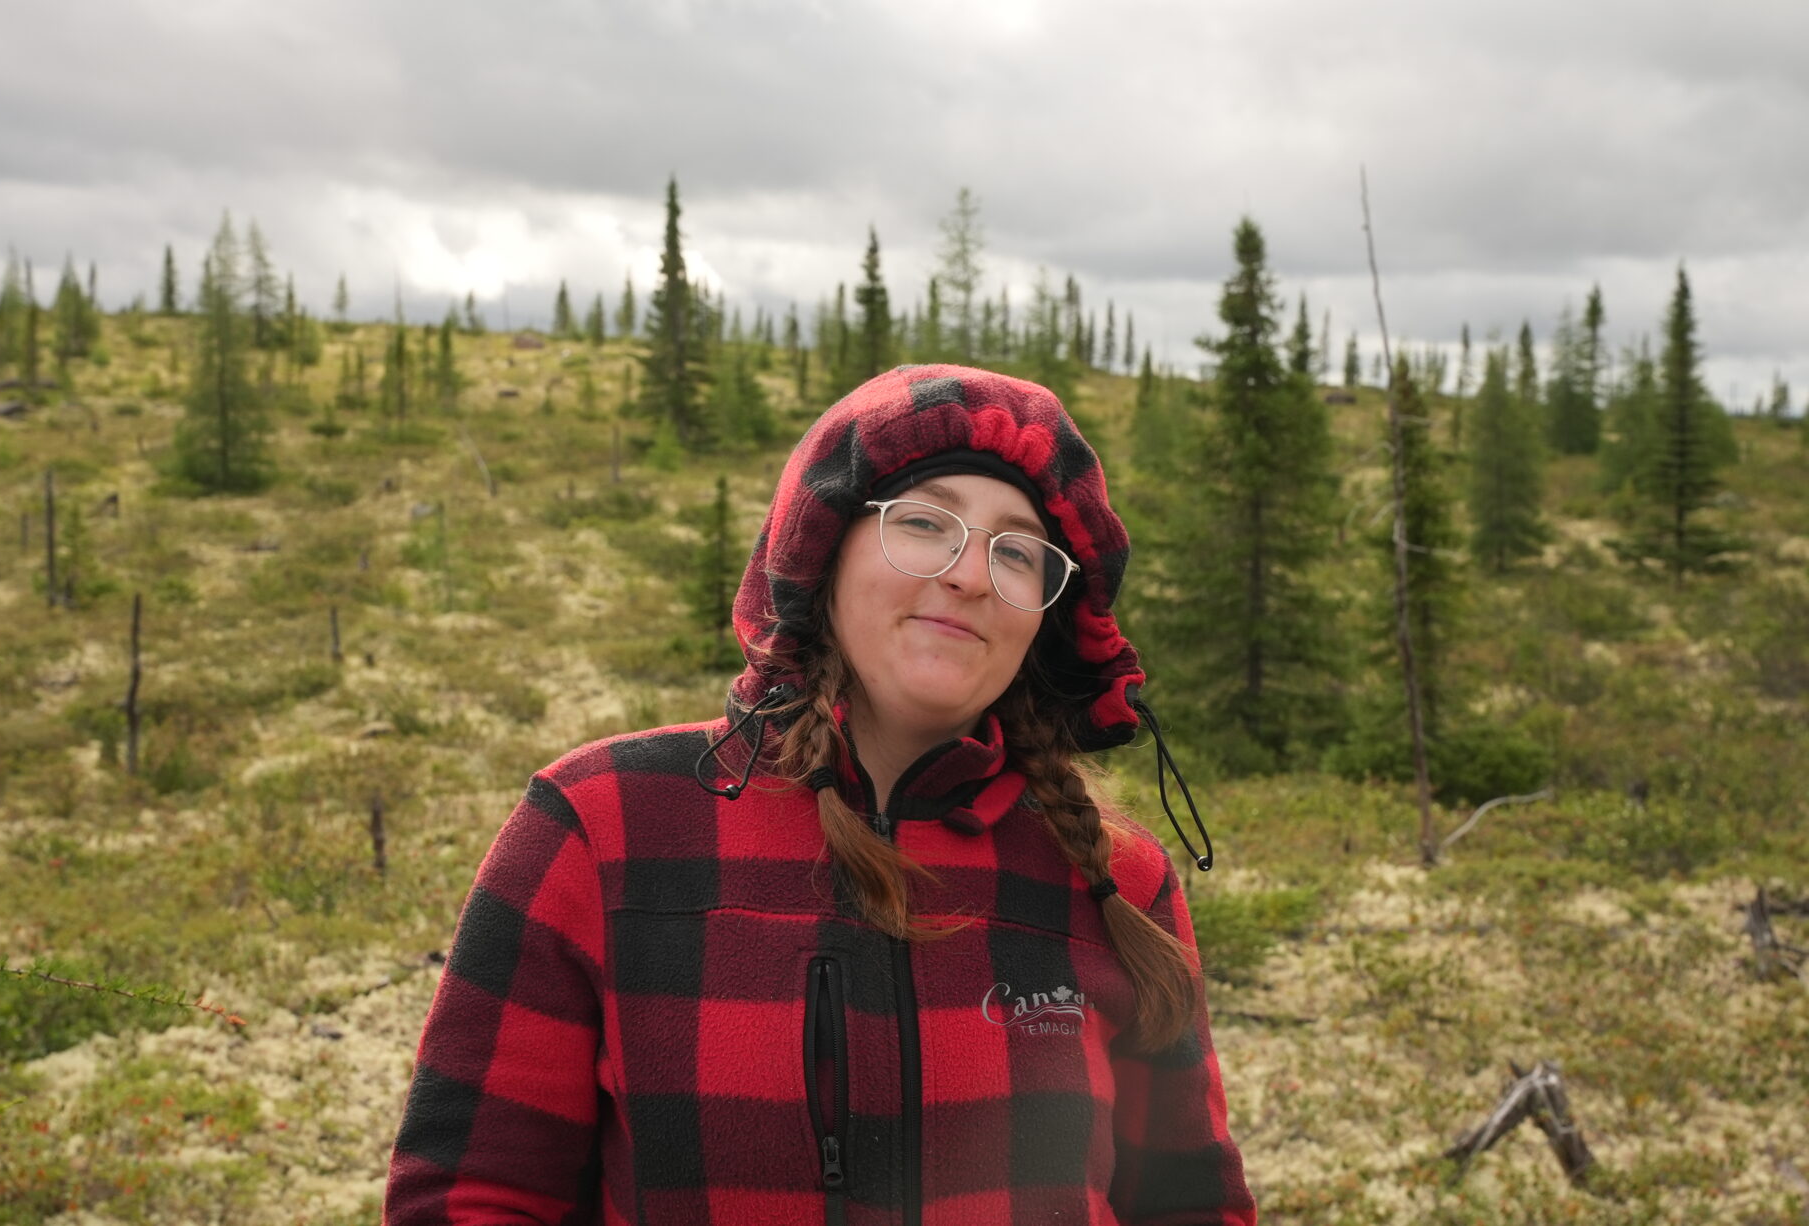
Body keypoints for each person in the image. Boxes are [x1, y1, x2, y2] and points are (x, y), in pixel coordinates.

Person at [385, 364, 1255, 1225]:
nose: (970, 574)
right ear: (824, 550)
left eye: (1018, 551)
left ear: (1045, 613)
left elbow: (1192, 1206)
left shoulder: (1115, 881)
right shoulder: (604, 829)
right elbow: (469, 1200)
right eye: (924, 523)